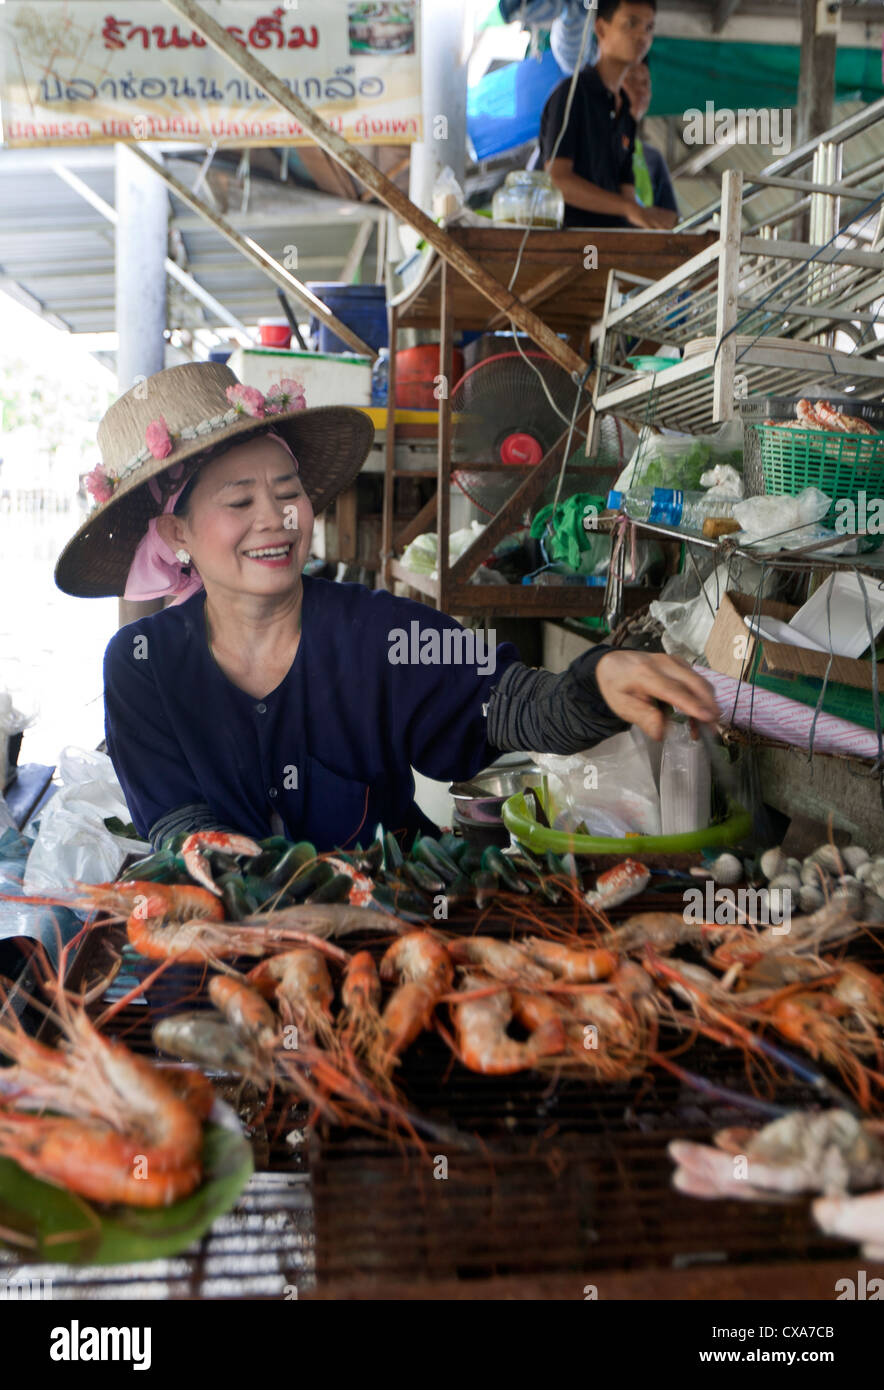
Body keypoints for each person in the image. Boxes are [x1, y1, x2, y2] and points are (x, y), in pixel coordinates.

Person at [55, 362, 719, 851]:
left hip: (389, 935)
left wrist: (595, 684)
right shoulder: (141, 666)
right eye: (238, 503)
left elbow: (514, 703)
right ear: (177, 536)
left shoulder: (381, 632)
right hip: (224, 955)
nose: (277, 519)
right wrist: (225, 871)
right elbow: (176, 823)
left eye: (288, 491)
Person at [539, 0, 672, 230]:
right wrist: (629, 209)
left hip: (611, 244)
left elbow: (627, 195)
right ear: (600, 29)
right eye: (631, 24)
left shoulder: (626, 115)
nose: (642, 35)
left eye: (649, 28)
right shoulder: (573, 94)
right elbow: (558, 180)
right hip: (569, 245)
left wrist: (653, 219)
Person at [621, 59, 678, 229]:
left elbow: (671, 219)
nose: (641, 90)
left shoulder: (652, 158)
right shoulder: (593, 138)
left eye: (646, 83)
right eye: (631, 80)